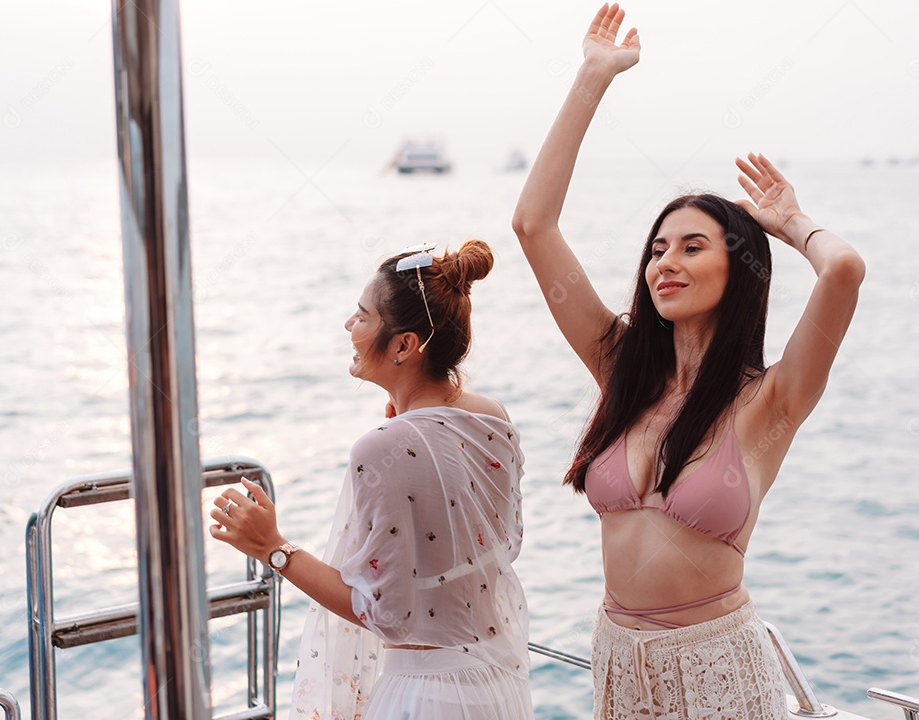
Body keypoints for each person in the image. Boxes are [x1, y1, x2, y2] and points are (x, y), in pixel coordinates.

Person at [512, 4, 866, 718]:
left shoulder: (771, 400)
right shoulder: (623, 370)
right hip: (615, 661)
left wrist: (792, 223)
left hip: (718, 673)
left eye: (692, 247)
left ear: (738, 271)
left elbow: (844, 270)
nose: (664, 263)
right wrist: (594, 76)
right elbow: (533, 224)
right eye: (656, 248)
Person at [209, 240, 533, 720]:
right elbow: (501, 543)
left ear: (404, 345)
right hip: (497, 683)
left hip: (429, 699)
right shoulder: (493, 418)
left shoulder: (382, 446)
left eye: (362, 316)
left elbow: (388, 616)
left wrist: (272, 547)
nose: (349, 325)